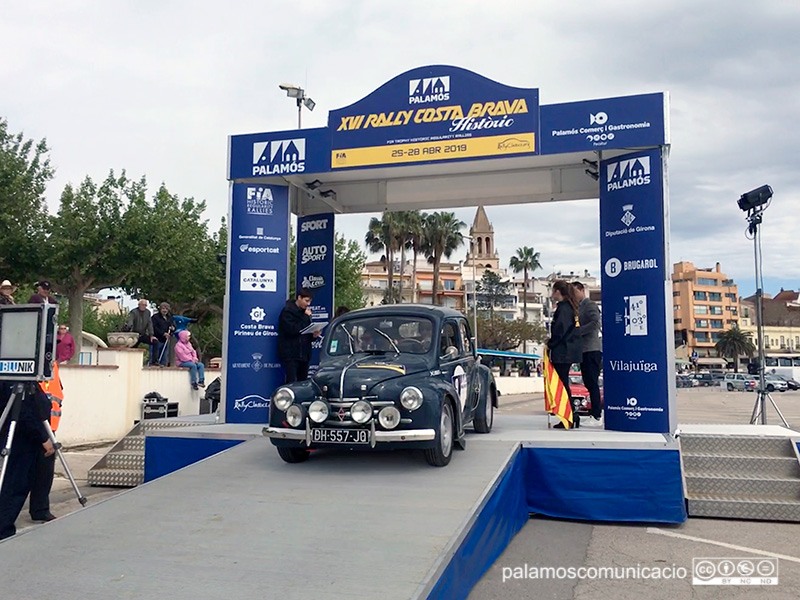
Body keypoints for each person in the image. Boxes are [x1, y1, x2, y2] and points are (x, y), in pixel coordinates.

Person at [0, 383, 56, 540]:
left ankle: (38, 510)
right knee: (16, 484)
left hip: (28, 437)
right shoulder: (13, 381)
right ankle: (3, 529)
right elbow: (23, 412)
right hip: (22, 439)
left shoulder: (27, 382)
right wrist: (43, 437)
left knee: (27, 479)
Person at [547, 280, 583, 429]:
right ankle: (571, 415)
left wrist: (550, 344)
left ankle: (569, 415)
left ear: (558, 292)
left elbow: (560, 331)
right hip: (569, 351)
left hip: (562, 351)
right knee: (564, 383)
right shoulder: (571, 308)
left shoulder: (563, 309)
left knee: (562, 384)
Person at [573, 281, 603, 422]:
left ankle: (596, 414)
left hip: (592, 349)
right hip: (583, 350)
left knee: (592, 382)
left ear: (581, 290)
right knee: (588, 382)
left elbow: (596, 322)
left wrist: (579, 332)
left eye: (574, 292)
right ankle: (594, 412)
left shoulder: (590, 305)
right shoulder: (578, 307)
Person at [277, 288, 320, 383]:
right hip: (291, 354)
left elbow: (306, 332)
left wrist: (314, 335)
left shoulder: (305, 314)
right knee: (291, 381)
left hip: (304, 354)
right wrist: (306, 317)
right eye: (306, 301)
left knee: (303, 382)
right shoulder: (287, 312)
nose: (308, 304)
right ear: (299, 298)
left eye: (310, 301)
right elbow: (293, 330)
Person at [150, 302, 175, 367]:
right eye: (163, 308)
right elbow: (153, 328)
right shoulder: (155, 317)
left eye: (166, 309)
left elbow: (172, 327)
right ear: (160, 309)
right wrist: (163, 333)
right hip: (157, 340)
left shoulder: (169, 318)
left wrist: (172, 329)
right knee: (155, 357)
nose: (165, 310)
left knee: (164, 357)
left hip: (165, 341)